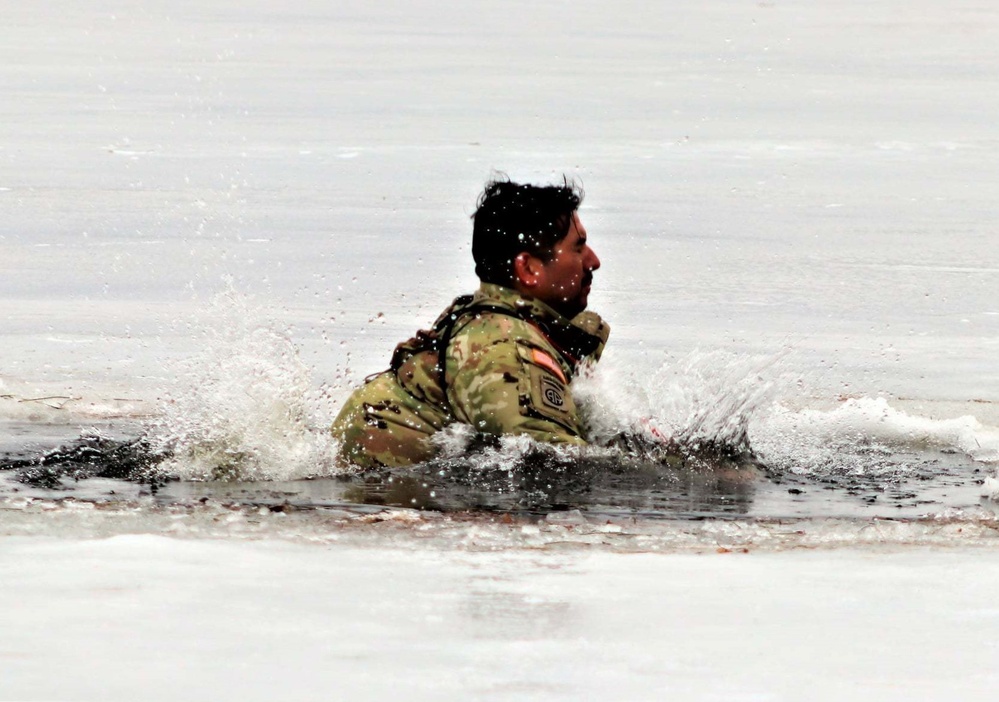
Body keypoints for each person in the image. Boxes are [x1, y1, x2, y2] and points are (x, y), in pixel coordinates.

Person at [332, 177, 609, 468]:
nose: (594, 261)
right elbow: (554, 469)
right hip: (381, 500)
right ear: (528, 268)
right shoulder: (504, 349)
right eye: (578, 248)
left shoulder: (494, 324)